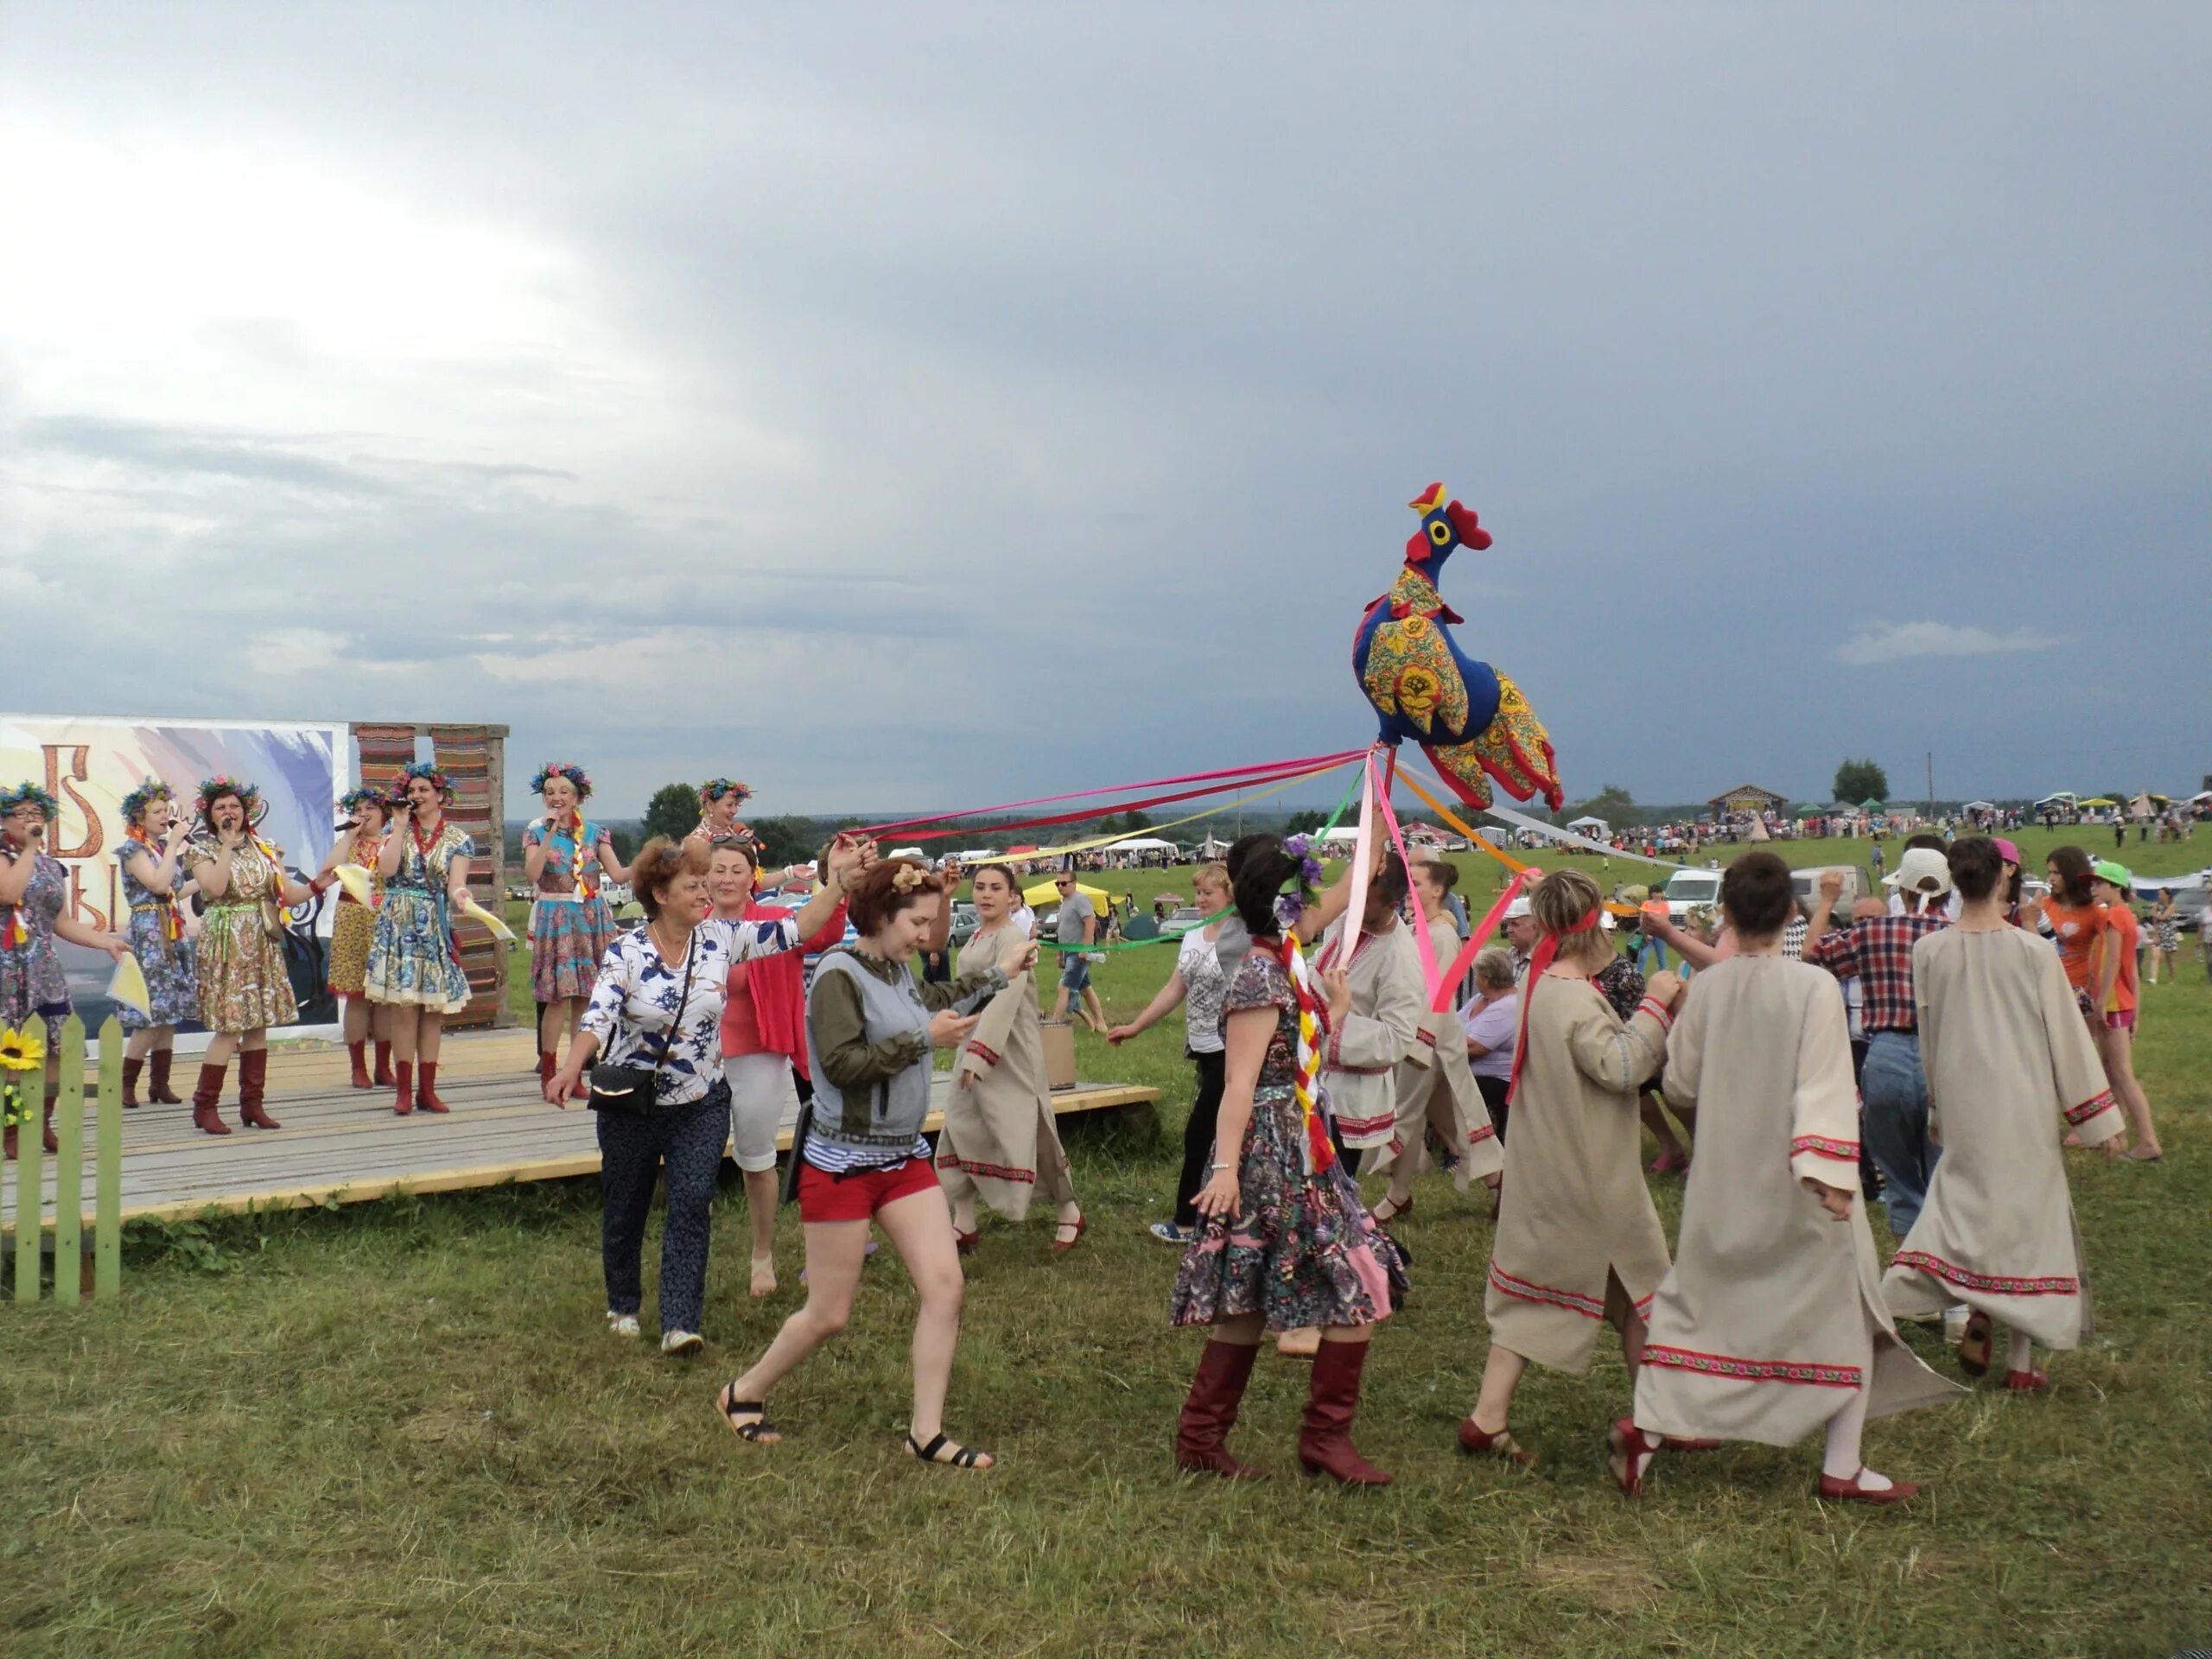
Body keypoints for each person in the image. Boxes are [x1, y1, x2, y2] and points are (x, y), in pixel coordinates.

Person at [1617, 853, 1955, 1505]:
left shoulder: (1707, 987)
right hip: (1805, 1180)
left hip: (1722, 1177)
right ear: (1793, 914)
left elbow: (1680, 1082)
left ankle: (1651, 1431)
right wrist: (1828, 1171)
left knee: (1702, 1307)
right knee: (1848, 1309)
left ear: (1727, 913)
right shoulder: (1812, 988)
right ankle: (1843, 1464)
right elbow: (1827, 1082)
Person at [712, 856, 1027, 1468]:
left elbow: (933, 999)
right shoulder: (839, 974)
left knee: (945, 1287)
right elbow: (839, 1065)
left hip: (901, 1159)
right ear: (883, 917)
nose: (926, 934)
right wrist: (923, 1041)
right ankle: (743, 1392)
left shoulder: (896, 970)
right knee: (828, 1314)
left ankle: (926, 1433)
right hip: (841, 1164)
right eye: (918, 921)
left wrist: (1000, 973)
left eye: (931, 922)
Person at [552, 833, 865, 1354]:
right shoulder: (625, 952)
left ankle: (679, 1322)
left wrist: (836, 881)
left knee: (693, 1203)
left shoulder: (723, 937)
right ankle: (623, 1304)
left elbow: (797, 929)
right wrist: (570, 1066)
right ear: (659, 894)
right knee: (626, 1205)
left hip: (701, 1100)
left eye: (706, 883)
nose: (705, 892)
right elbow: (598, 1015)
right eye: (692, 885)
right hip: (633, 1103)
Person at [1169, 836, 1408, 1484]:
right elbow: (1239, 1084)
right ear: (1286, 903)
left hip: (1301, 1140)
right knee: (1358, 1280)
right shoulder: (1259, 970)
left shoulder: (1286, 955)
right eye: (1308, 895)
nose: (1320, 907)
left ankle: (1206, 1438)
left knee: (1250, 1301)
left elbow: (1350, 887)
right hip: (1273, 1152)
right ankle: (1310, 1440)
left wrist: (1377, 795)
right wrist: (1222, 1171)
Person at [1456, 868, 1682, 1467]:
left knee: (1547, 1292)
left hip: (1550, 1167)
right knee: (1644, 1290)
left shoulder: (1534, 981)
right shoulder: (1575, 999)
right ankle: (1657, 1419)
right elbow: (1623, 1066)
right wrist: (1656, 1003)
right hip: (1591, 1176)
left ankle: (1489, 1418)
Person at [1885, 836, 2127, 1392]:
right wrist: (2098, 1118)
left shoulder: (1929, 952)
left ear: (1952, 881)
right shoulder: (2033, 951)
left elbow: (1930, 1036)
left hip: (1964, 1099)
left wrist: (1939, 1105)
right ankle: (2019, 1364)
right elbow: (2065, 1036)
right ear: (2002, 881)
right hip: (2022, 1100)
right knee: (2028, 1223)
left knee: (1967, 1210)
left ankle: (1972, 1306)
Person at [709, 835, 849, 1299]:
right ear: (703, 877)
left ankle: (762, 1255)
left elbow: (825, 933)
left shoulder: (774, 920)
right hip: (700, 1060)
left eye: (736, 870)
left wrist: (835, 879)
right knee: (695, 1162)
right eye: (718, 870)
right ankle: (691, 1256)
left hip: (760, 1055)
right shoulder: (691, 924)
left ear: (753, 877)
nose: (726, 878)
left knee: (756, 1159)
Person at [1802, 850, 1952, 1237]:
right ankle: (1947, 1265)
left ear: (1901, 888)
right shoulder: (1957, 935)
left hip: (1886, 1052)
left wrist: (1829, 901)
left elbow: (1811, 953)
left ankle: (1910, 1267)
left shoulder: (1874, 932)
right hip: (1946, 1057)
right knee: (1944, 1171)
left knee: (1899, 1176)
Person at [938, 862, 1084, 1252]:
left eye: (995, 888)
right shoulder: (975, 936)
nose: (986, 895)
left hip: (1010, 1049)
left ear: (1011, 895)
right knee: (959, 1122)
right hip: (973, 1043)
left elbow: (1005, 997)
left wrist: (979, 1057)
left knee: (1030, 1128)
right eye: (980, 887)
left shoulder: (1013, 937)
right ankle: (964, 1221)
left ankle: (1069, 1211)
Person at [182, 776, 322, 1135]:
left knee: (259, 1024)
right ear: (210, 815)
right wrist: (227, 846)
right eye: (220, 807)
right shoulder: (202, 850)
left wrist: (324, 882)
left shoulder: (267, 848)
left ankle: (252, 1105)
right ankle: (205, 1105)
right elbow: (213, 888)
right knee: (231, 1026)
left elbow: (286, 895)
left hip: (260, 938)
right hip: (227, 939)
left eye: (234, 806)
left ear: (247, 812)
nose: (229, 812)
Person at [1370, 857, 1503, 1224]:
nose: (1411, 887)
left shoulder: (1442, 935)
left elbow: (1437, 994)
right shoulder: (1422, 929)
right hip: (1421, 1037)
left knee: (1405, 1114)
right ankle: (1497, 1179)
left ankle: (1396, 1196)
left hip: (1427, 1040)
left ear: (1437, 890)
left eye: (1417, 881)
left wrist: (1416, 1039)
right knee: (1450, 1116)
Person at [1, 782, 130, 1158]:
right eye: (21, 814)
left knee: (55, 1049)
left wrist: (105, 940)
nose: (30, 820)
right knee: (12, 1049)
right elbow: (9, 894)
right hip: (7, 966)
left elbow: (63, 923)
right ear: (4, 820)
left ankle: (41, 1123)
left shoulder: (50, 865)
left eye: (36, 814)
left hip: (44, 968)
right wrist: (26, 849)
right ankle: (13, 1129)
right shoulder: (7, 855)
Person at [1109, 861, 1234, 1246]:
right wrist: (1135, 1026)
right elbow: (1174, 987)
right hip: (1201, 1048)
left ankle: (1187, 1221)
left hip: (1230, 1050)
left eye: (1208, 894)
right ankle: (1222, 1217)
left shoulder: (1242, 938)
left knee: (1199, 1134)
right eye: (1197, 893)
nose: (1200, 900)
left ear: (1229, 895)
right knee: (1214, 1135)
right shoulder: (1195, 933)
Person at [366, 762, 476, 1116]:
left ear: (440, 795)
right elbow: (385, 871)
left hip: (433, 927)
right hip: (398, 924)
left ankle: (426, 1090)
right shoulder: (394, 830)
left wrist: (462, 896)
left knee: (432, 1011)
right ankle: (402, 1090)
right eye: (411, 791)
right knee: (403, 1008)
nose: (416, 796)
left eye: (423, 790)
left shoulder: (458, 839)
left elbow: (456, 881)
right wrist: (398, 825)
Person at [522, 763, 630, 1100]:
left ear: (578, 797)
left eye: (564, 791)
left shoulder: (596, 833)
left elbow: (620, 874)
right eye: (550, 792)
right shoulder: (536, 832)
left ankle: (576, 1073)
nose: (556, 797)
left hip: (589, 918)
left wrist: (654, 860)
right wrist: (551, 832)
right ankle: (549, 1073)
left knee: (585, 998)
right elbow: (532, 873)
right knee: (556, 998)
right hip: (555, 917)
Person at [114, 779, 200, 1109]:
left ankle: (159, 1085)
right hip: (150, 931)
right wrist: (177, 843)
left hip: (171, 927)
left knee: (170, 1010)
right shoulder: (132, 850)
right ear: (140, 817)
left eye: (167, 810)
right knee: (152, 1010)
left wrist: (203, 878)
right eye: (158, 811)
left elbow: (174, 891)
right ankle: (126, 1084)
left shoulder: (162, 849)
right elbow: (157, 882)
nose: (166, 816)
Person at [319, 785, 393, 1091]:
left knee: (385, 996)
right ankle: (358, 1067)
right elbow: (327, 871)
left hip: (387, 918)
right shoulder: (347, 843)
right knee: (356, 995)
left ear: (385, 814)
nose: (363, 815)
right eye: (358, 809)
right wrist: (349, 835)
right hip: (352, 917)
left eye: (370, 809)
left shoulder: (393, 842)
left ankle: (384, 1067)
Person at [2088, 861, 2160, 1161]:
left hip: (2115, 1004)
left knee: (2121, 1073)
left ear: (2116, 887)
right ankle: (2118, 1135)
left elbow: (2115, 962)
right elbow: (2132, 972)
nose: (2094, 888)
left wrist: (2102, 1002)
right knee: (2111, 1070)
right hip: (2123, 1003)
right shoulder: (2125, 915)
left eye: (2100, 883)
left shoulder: (2115, 915)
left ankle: (2148, 1141)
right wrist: (2137, 1013)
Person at [1459, 946, 1518, 1140]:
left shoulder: (1509, 1005)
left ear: (1485, 979)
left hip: (1494, 1079)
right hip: (1468, 1071)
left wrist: (1441, 1043)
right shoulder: (1480, 998)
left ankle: (1456, 1149)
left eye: (1476, 974)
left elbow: (1474, 1047)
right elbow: (1452, 1024)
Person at [1047, 870, 1106, 1033]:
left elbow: (1090, 922)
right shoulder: (1064, 902)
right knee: (1085, 989)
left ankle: (1055, 1026)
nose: (1060, 886)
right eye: (1057, 883)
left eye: (1064, 883)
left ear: (1074, 883)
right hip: (1068, 951)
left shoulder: (1080, 899)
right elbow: (1062, 930)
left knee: (1064, 988)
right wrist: (1059, 953)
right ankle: (1101, 1024)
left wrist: (1085, 948)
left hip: (1079, 951)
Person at [1501, 895, 1538, 984]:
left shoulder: (1547, 961)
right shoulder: (1507, 958)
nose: (1508, 930)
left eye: (1515, 924)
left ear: (1536, 926)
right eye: (1507, 924)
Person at [2148, 889, 2179, 984]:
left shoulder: (2172, 906)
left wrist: (2154, 912)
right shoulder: (2158, 906)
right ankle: (2153, 978)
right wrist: (2156, 931)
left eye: (2161, 894)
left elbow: (2164, 917)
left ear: (2168, 895)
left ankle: (2172, 979)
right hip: (2160, 932)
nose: (2159, 896)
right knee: (2155, 955)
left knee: (2169, 958)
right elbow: (2155, 920)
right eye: (2159, 894)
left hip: (2169, 933)